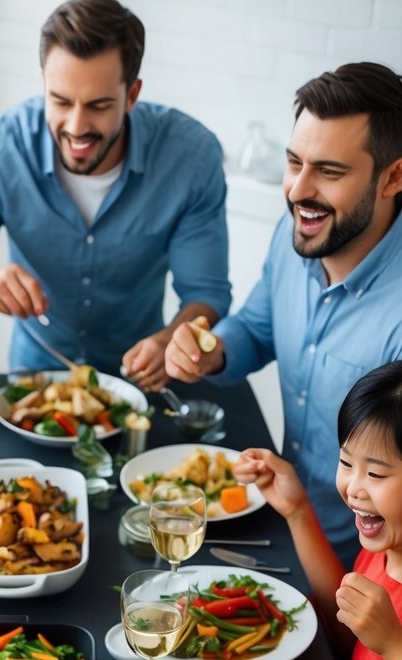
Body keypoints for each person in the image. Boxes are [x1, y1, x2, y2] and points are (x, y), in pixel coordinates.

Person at [165, 62, 402, 563]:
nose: (297, 191)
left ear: (393, 177)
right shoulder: (296, 234)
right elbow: (257, 326)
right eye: (295, 162)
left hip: (363, 561)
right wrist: (212, 351)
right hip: (281, 518)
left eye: (329, 172)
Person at [0, 0, 230, 387]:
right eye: (60, 101)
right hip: (34, 380)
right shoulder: (1, 149)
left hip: (139, 383)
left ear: (131, 95)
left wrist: (170, 341)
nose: (76, 126)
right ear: (43, 84)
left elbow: (206, 294)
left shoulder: (191, 157)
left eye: (99, 105)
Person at [234, 362, 402, 660]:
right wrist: (297, 512)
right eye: (347, 462)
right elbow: (345, 626)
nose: (353, 488)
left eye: (377, 473)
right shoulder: (385, 546)